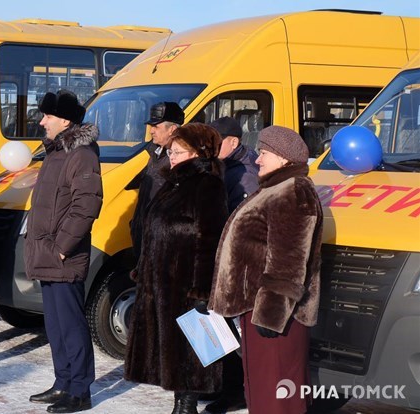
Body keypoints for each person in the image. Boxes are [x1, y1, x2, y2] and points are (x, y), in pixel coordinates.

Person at [209, 126, 323, 414]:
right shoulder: (274, 189)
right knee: (262, 392)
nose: (257, 159)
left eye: (264, 153)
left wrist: (271, 314)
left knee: (277, 397)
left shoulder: (293, 191)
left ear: (284, 158)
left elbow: (289, 259)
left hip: (278, 316)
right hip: (258, 309)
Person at [124, 123, 228, 414]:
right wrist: (143, 271)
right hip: (160, 281)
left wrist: (202, 289)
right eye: (171, 150)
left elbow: (211, 239)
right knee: (167, 349)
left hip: (186, 283)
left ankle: (186, 405)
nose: (171, 155)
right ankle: (180, 403)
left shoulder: (208, 186)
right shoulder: (171, 183)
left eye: (178, 151)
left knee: (190, 351)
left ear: (197, 153)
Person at [24, 90, 102, 413]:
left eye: (48, 116)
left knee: (71, 324)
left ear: (66, 120)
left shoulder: (80, 154)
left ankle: (80, 389)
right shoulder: (55, 152)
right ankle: (63, 382)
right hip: (46, 253)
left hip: (63, 257)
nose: (42, 121)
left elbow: (86, 205)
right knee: (55, 325)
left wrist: (60, 249)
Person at [203, 116, 258, 413]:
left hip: (230, 262)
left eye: (216, 142)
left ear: (233, 142)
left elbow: (237, 224)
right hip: (213, 257)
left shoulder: (245, 174)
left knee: (227, 326)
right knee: (207, 321)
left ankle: (234, 389)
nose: (209, 148)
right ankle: (217, 383)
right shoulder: (222, 166)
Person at [129, 102, 184, 259]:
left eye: (156, 126)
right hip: (145, 239)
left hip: (161, 245)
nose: (151, 130)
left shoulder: (179, 161)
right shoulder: (155, 153)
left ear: (172, 130)